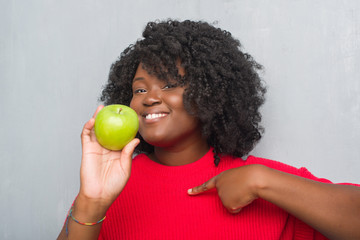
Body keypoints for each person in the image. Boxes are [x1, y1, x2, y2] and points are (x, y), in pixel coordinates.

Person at [57, 19, 360, 240]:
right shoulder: (109, 187)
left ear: (211, 93)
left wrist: (261, 181)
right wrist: (92, 203)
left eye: (170, 84)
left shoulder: (261, 181)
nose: (149, 98)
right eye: (139, 90)